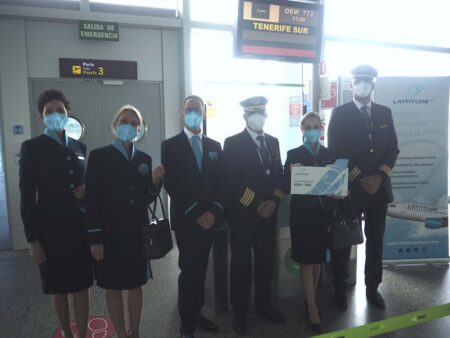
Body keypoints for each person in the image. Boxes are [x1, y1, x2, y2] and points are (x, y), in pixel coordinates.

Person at [85, 105, 164, 338]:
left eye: (133, 123)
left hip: (136, 233)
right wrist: (95, 238)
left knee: (135, 285)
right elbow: (92, 200)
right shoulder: (99, 157)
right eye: (124, 121)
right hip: (109, 235)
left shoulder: (144, 159)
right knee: (112, 287)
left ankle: (135, 332)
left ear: (139, 129)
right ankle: (121, 333)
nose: (128, 126)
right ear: (114, 125)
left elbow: (146, 199)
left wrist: (155, 183)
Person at [19, 89, 92, 338]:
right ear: (42, 116)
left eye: (59, 110)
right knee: (58, 288)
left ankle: (82, 334)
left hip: (79, 228)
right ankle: (68, 334)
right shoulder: (32, 148)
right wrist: (32, 239)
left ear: (68, 113)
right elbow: (27, 197)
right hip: (50, 230)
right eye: (49, 111)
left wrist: (87, 190)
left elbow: (85, 181)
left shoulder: (79, 145)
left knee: (82, 286)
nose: (55, 115)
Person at [327, 65, 399, 310]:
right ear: (351, 85)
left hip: (379, 189)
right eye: (358, 80)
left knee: (376, 239)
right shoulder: (339, 113)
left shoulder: (384, 113)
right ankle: (339, 287)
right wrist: (361, 178)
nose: (363, 84)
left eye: (367, 80)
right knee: (344, 239)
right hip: (351, 190)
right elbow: (336, 152)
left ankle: (372, 287)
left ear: (373, 85)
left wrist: (378, 177)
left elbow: (392, 149)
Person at [161, 95, 224, 338]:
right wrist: (198, 214)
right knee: (188, 268)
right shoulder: (170, 145)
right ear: (182, 113)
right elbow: (173, 185)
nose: (193, 113)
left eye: (197, 109)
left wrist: (214, 212)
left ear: (203, 113)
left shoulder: (215, 146)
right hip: (187, 220)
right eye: (189, 109)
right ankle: (186, 321)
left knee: (202, 267)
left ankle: (196, 312)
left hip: (210, 220)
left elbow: (222, 183)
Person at [223, 96, 285, 335]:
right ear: (245, 117)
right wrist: (258, 203)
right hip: (243, 216)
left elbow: (278, 175)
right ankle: (239, 314)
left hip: (268, 217)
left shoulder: (273, 142)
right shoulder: (232, 143)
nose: (258, 116)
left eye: (262, 112)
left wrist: (275, 201)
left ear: (266, 116)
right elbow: (232, 181)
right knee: (241, 265)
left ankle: (263, 305)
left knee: (265, 263)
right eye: (253, 113)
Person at [282, 112, 337, 334]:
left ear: (321, 129)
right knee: (306, 260)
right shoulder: (293, 154)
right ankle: (312, 308)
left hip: (323, 215)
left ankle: (310, 300)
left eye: (316, 126)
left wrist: (337, 193)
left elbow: (336, 184)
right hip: (302, 216)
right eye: (307, 127)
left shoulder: (330, 154)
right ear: (302, 130)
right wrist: (291, 174)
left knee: (317, 261)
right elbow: (286, 187)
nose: (312, 130)